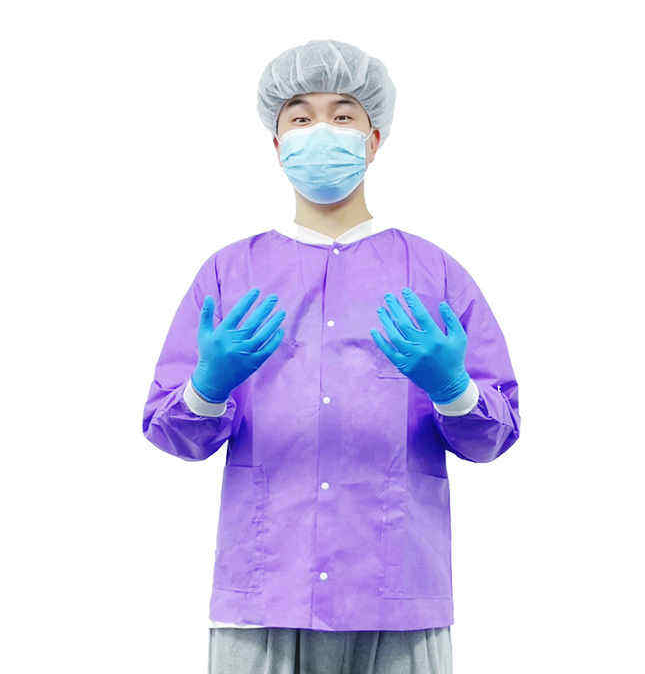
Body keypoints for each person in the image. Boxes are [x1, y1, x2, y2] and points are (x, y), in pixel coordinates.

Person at [142, 39, 520, 674]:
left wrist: (453, 388)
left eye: (343, 115)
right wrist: (207, 387)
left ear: (373, 140)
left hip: (396, 593)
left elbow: (493, 439)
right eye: (301, 116)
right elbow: (172, 435)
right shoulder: (230, 273)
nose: (321, 130)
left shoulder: (433, 274)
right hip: (265, 591)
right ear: (277, 144)